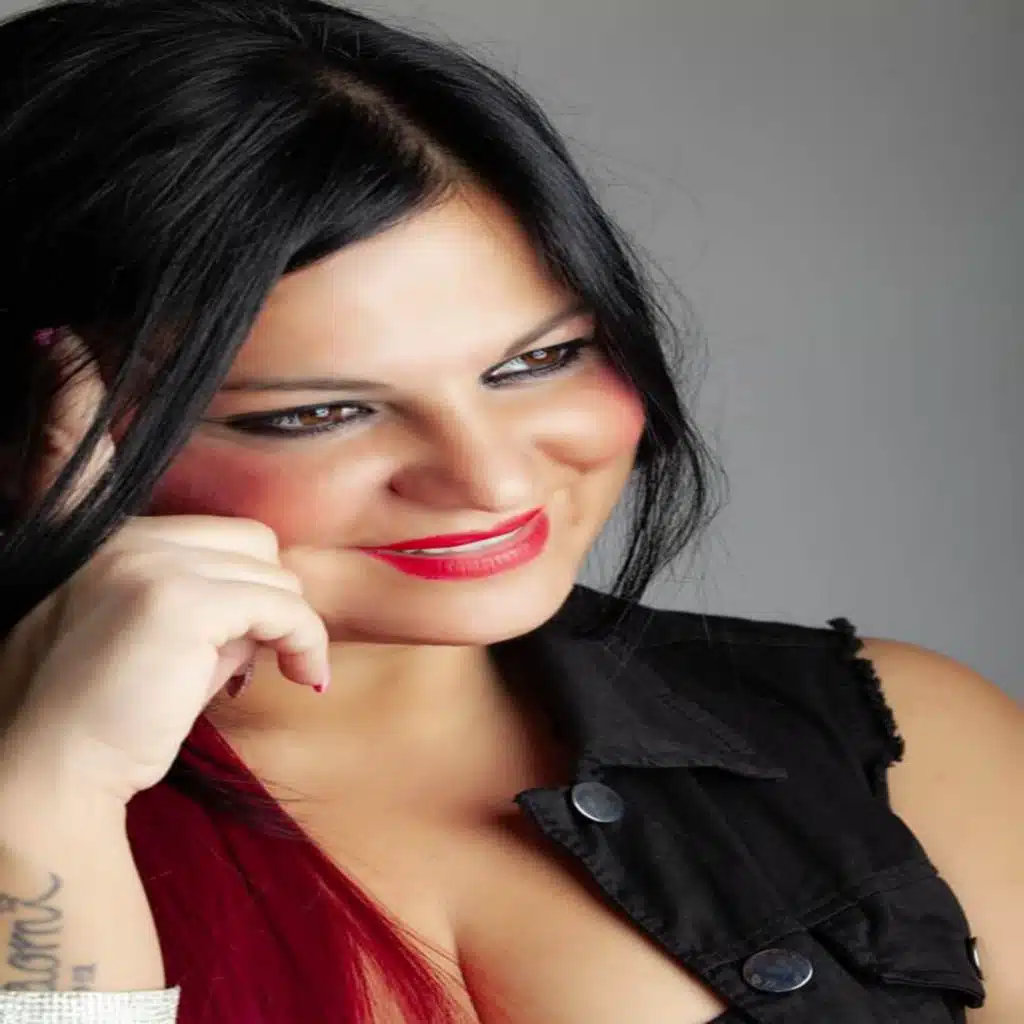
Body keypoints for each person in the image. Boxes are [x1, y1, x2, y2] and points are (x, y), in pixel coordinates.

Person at [0, 0, 1019, 1021]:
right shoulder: (30, 809)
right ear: (31, 427)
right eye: (317, 413)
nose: (487, 477)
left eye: (539, 360)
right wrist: (49, 805)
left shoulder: (902, 741)